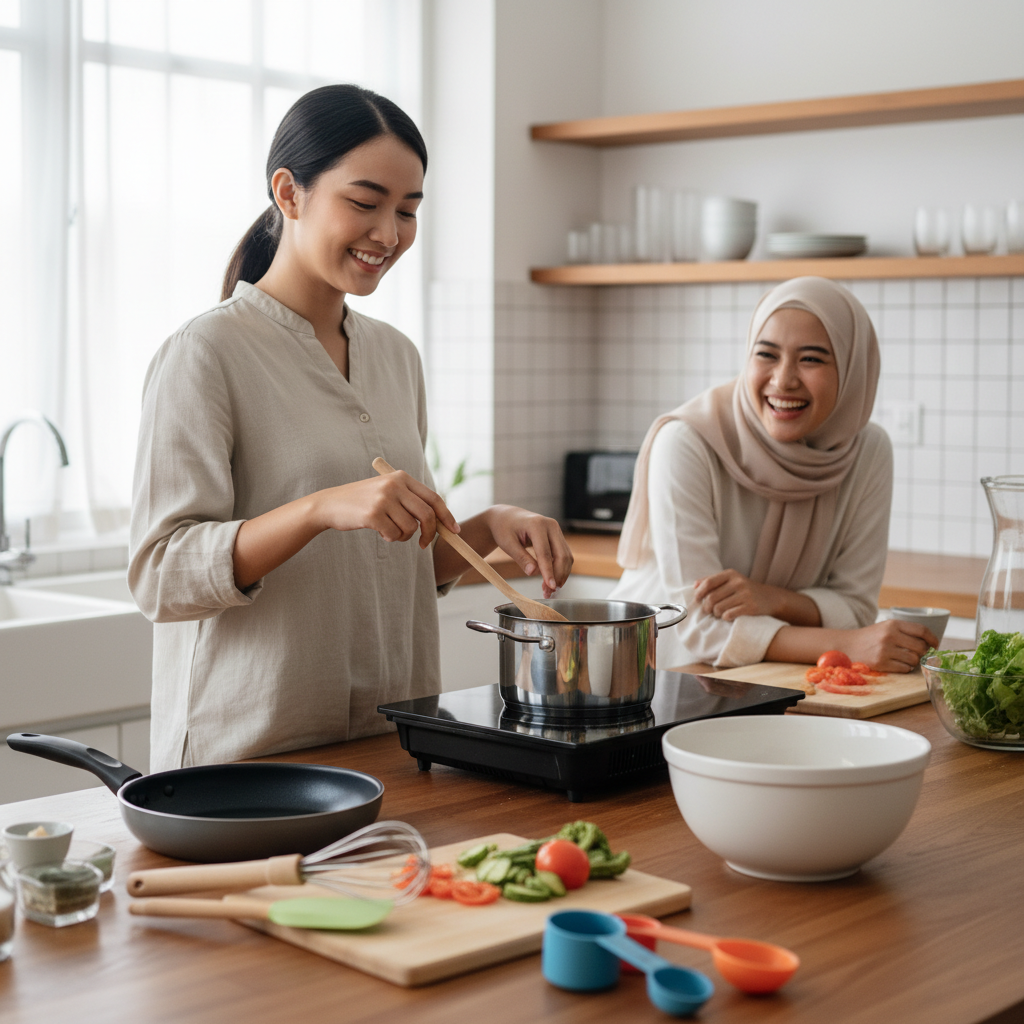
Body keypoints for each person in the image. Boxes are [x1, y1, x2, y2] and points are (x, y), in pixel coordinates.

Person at [129, 85, 572, 771]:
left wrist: (487, 529)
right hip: (248, 766)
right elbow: (161, 576)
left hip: (391, 746)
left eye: (407, 210)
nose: (389, 234)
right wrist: (319, 509)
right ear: (289, 192)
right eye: (364, 204)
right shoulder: (205, 354)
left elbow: (393, 566)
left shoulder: (396, 356)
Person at [609, 276, 937, 672]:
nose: (783, 380)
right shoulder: (686, 442)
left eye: (812, 358)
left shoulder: (868, 451)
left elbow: (856, 605)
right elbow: (696, 625)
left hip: (779, 676)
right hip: (660, 674)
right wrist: (845, 645)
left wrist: (772, 598)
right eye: (766, 354)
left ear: (852, 369)